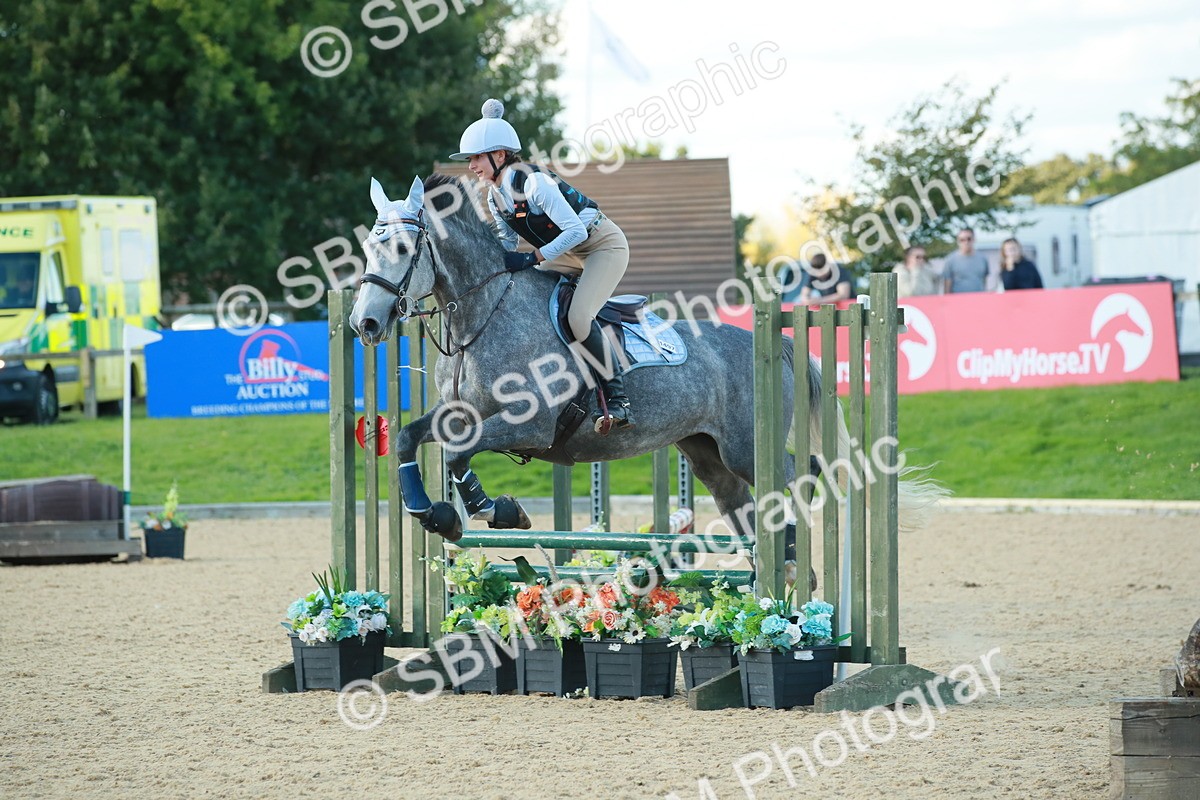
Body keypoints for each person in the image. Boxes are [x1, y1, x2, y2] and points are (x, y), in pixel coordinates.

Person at [450, 99, 633, 432]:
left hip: (602, 247)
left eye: (477, 157)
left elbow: (575, 230)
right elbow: (507, 243)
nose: (472, 165)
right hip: (566, 253)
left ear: (500, 155)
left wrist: (532, 257)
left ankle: (617, 397)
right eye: (470, 159)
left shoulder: (535, 183)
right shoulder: (494, 196)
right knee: (531, 301)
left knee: (578, 316)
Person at [943, 227, 989, 293]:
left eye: (969, 239)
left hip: (979, 299)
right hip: (958, 300)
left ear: (974, 239)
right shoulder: (950, 260)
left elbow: (984, 281)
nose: (966, 242)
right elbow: (947, 285)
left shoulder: (983, 258)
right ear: (958, 241)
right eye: (962, 240)